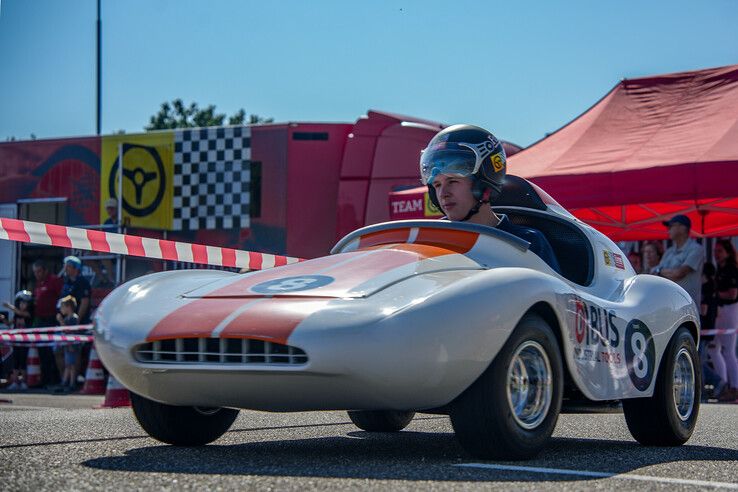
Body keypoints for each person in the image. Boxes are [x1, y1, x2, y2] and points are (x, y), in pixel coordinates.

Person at [420, 124, 561, 273]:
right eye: (436, 185)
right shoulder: (431, 246)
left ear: (483, 185)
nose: (443, 193)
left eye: (453, 181)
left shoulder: (527, 243)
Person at [650, 215, 704, 307]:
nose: (668, 230)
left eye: (671, 226)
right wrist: (662, 272)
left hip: (688, 308)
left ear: (682, 228)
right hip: (669, 306)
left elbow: (679, 274)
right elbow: (654, 273)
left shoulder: (696, 249)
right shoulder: (669, 251)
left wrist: (660, 271)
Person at [709, 239, 738, 402]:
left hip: (729, 310)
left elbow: (733, 294)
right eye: (715, 251)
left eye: (720, 251)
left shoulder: (732, 269)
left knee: (729, 351)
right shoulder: (719, 269)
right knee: (714, 349)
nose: (716, 254)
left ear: (727, 252)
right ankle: (723, 385)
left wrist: (715, 295)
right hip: (720, 311)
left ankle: (735, 387)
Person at [31, 260, 63, 386]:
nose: (37, 274)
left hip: (51, 320)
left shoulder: (54, 281)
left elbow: (62, 298)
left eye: (39, 271)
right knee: (42, 351)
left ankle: (54, 379)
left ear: (45, 270)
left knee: (52, 351)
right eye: (35, 272)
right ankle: (44, 379)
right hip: (40, 321)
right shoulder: (38, 284)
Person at [3, 291, 34, 391]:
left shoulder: (28, 314)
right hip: (16, 341)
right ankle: (15, 382)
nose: (22, 305)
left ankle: (24, 381)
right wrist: (4, 320)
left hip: (25, 342)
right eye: (21, 303)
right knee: (16, 362)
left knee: (23, 362)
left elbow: (20, 313)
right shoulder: (16, 316)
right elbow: (9, 323)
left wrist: (9, 306)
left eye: (25, 303)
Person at [55, 295, 80, 392]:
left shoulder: (73, 318)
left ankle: (72, 383)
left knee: (72, 365)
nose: (61, 309)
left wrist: (61, 321)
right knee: (68, 365)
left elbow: (69, 331)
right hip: (67, 345)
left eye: (62, 307)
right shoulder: (67, 318)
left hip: (72, 345)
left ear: (68, 307)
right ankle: (64, 382)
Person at [59, 256, 91, 324]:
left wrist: (77, 321)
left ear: (76, 268)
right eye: (65, 266)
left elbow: (84, 302)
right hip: (67, 321)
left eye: (68, 266)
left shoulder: (82, 282)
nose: (65, 269)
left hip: (79, 323)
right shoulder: (67, 281)